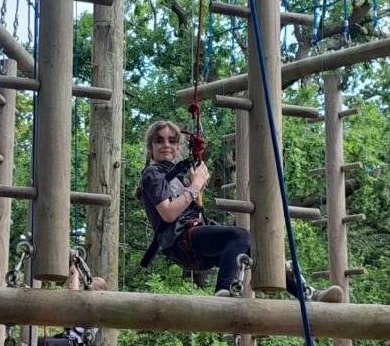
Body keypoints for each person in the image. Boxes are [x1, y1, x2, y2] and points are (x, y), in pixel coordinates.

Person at [138, 120, 343, 302]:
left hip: (191, 241)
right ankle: (223, 291)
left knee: (258, 249)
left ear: (178, 146)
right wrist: (194, 186)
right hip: (181, 240)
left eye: (172, 141)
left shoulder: (176, 176)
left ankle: (307, 294)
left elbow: (188, 204)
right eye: (159, 140)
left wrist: (195, 186)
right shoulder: (152, 174)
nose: (166, 145)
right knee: (240, 235)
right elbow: (168, 213)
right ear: (150, 146)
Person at [35, 265, 107, 346]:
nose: (90, 292)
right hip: (64, 338)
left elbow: (75, 295)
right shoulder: (85, 302)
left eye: (93, 289)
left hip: (75, 345)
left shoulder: (97, 308)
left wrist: (76, 273)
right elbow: (70, 286)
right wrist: (71, 272)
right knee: (34, 342)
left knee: (47, 344)